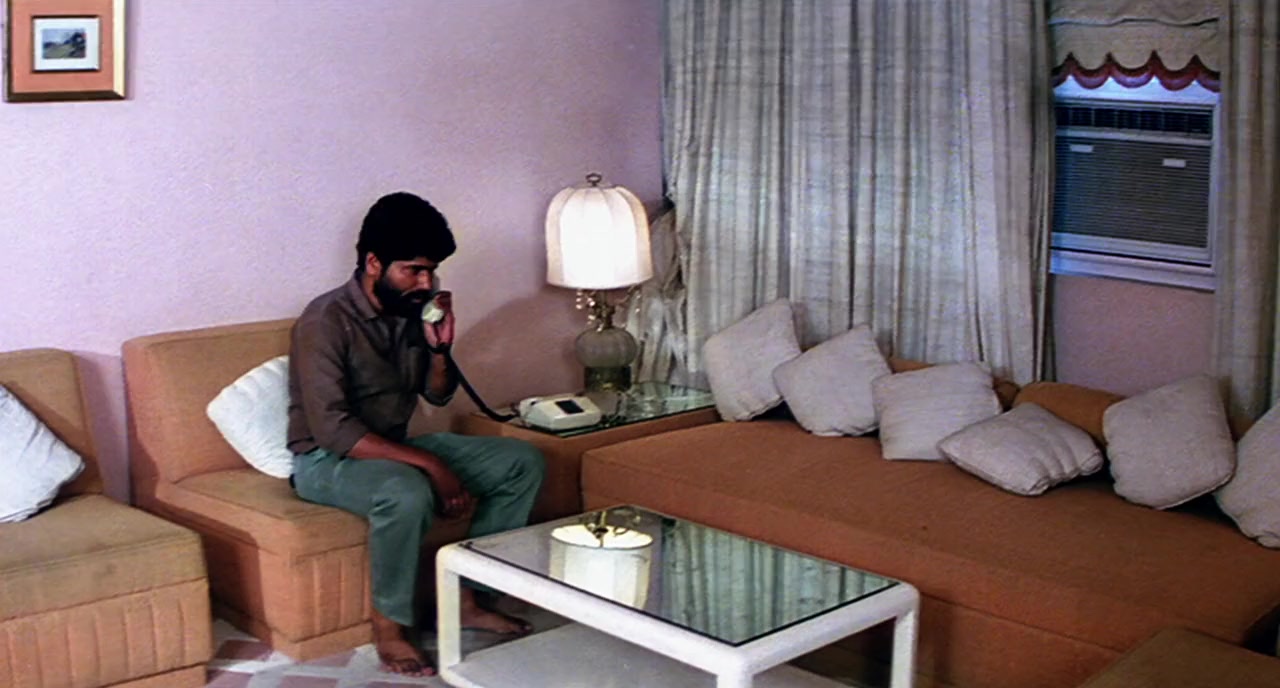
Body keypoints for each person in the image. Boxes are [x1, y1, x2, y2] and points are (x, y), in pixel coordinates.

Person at [287, 191, 545, 676]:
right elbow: (333, 430)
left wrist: (439, 349)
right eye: (414, 270)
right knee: (406, 492)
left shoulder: (410, 310)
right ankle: (389, 628)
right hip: (325, 461)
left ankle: (467, 600)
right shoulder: (324, 322)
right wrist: (432, 465)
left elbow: (438, 395)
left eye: (432, 271)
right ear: (373, 262)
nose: (426, 283)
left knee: (521, 462)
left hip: (393, 448)